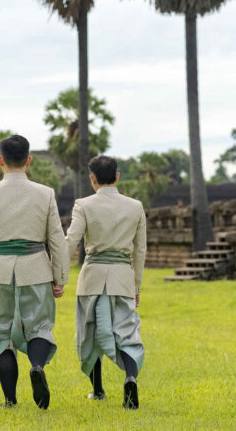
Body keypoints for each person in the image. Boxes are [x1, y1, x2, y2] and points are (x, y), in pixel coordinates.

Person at [0, 134, 68, 409]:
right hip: (35, 268)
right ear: (29, 160)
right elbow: (57, 238)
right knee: (40, 328)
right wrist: (60, 278)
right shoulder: (45, 193)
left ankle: (10, 400)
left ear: (0, 161)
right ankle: (37, 366)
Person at [65, 155, 147, 409]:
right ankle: (130, 377)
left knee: (89, 334)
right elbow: (140, 251)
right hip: (122, 277)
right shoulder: (135, 206)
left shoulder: (84, 205)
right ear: (117, 177)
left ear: (92, 179)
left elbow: (70, 241)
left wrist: (57, 274)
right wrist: (136, 286)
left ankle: (98, 390)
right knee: (127, 333)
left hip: (92, 277)